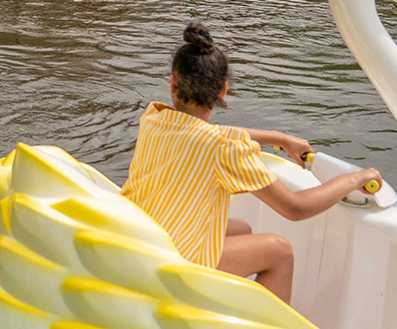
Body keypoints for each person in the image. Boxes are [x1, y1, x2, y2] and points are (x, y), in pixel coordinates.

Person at [122, 23, 382, 304]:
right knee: (279, 252)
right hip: (173, 262)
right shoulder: (223, 149)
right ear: (223, 90)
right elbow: (295, 207)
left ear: (173, 83)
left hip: (140, 242)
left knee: (242, 229)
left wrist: (279, 138)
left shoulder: (154, 117)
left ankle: (209, 308)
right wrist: (353, 179)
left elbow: (213, 136)